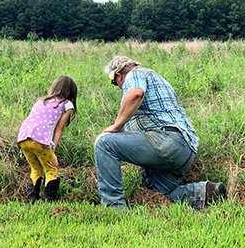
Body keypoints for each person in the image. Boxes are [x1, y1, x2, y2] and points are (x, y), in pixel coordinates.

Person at [95, 56, 226, 210]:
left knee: (104, 143)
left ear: (118, 76)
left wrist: (117, 126)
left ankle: (113, 208)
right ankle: (205, 192)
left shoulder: (134, 74)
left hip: (165, 141)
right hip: (185, 149)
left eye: (114, 83)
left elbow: (136, 93)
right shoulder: (156, 78)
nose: (118, 86)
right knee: (157, 195)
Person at [18, 75, 77, 203]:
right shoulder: (67, 104)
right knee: (51, 168)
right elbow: (59, 129)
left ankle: (32, 200)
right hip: (39, 140)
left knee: (36, 169)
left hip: (23, 137)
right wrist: (53, 149)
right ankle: (48, 201)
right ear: (72, 92)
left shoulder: (41, 100)